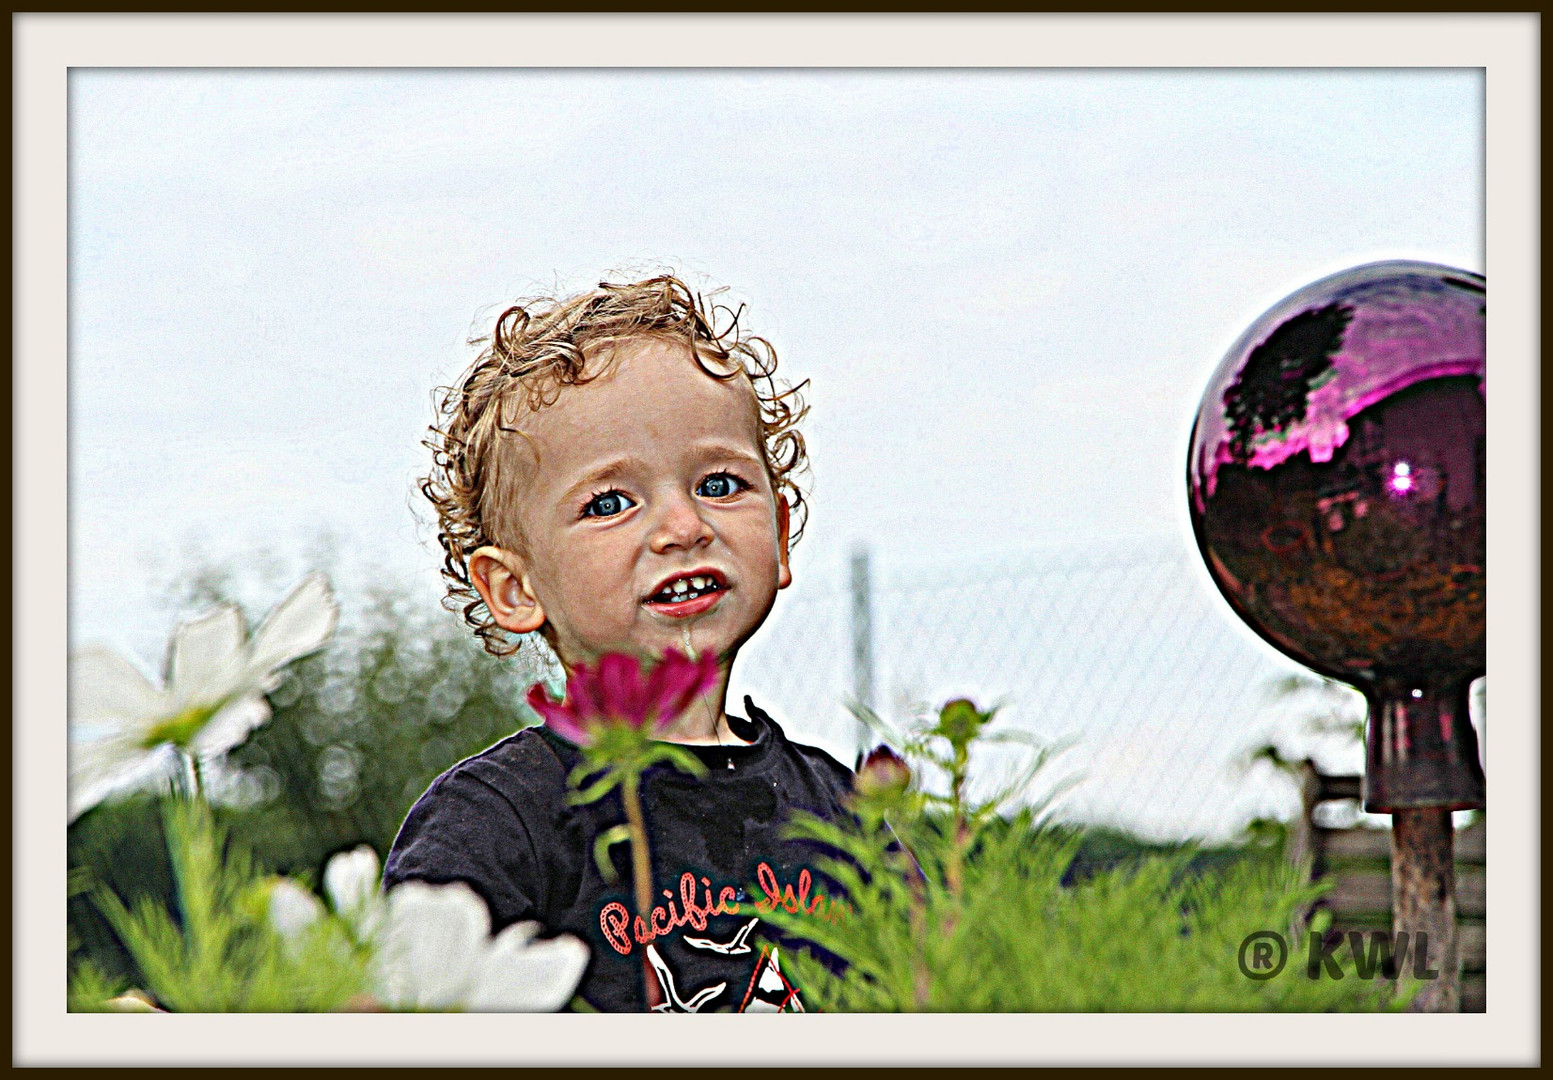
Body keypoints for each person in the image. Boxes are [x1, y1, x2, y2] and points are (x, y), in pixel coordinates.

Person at [384, 274, 855, 1012]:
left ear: (782, 533)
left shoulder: (844, 810)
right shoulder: (499, 820)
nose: (683, 526)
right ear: (513, 589)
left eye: (721, 483)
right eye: (610, 503)